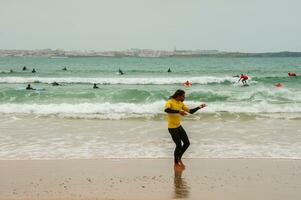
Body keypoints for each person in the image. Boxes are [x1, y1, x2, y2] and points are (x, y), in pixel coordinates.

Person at [164, 89, 206, 170]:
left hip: (179, 126)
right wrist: (179, 111)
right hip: (172, 128)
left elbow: (190, 111)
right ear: (178, 96)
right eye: (183, 96)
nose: (184, 97)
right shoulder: (170, 102)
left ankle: (179, 157)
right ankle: (175, 163)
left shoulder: (180, 103)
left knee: (187, 143)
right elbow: (166, 110)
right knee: (178, 145)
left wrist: (200, 107)